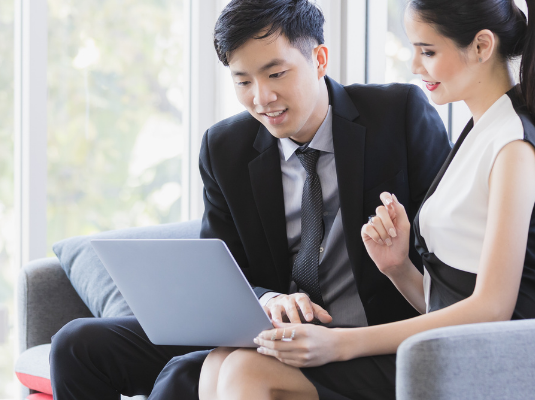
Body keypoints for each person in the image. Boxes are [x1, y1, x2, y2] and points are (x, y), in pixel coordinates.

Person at [48, 0, 451, 398]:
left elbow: (447, 254)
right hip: (263, 330)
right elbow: (223, 270)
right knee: (77, 344)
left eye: (276, 73)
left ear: (320, 59)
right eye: (243, 82)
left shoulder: (397, 115)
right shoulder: (225, 147)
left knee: (185, 376)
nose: (262, 98)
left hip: (366, 336)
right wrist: (269, 299)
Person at [195, 0, 535, 399]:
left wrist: (340, 345)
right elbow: (448, 299)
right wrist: (398, 267)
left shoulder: (512, 145)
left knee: (247, 371)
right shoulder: (482, 131)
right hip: (450, 342)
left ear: (482, 47)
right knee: (219, 363)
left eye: (427, 51)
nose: (415, 66)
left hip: (489, 359)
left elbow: (491, 310)